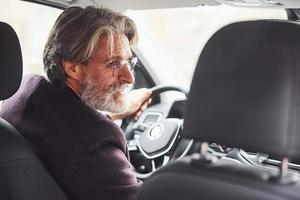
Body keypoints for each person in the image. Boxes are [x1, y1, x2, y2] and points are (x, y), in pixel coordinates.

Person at [0, 6, 152, 200]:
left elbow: (61, 125)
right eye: (114, 64)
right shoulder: (94, 142)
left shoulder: (26, 90)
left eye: (129, 62)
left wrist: (116, 113)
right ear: (72, 67)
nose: (129, 78)